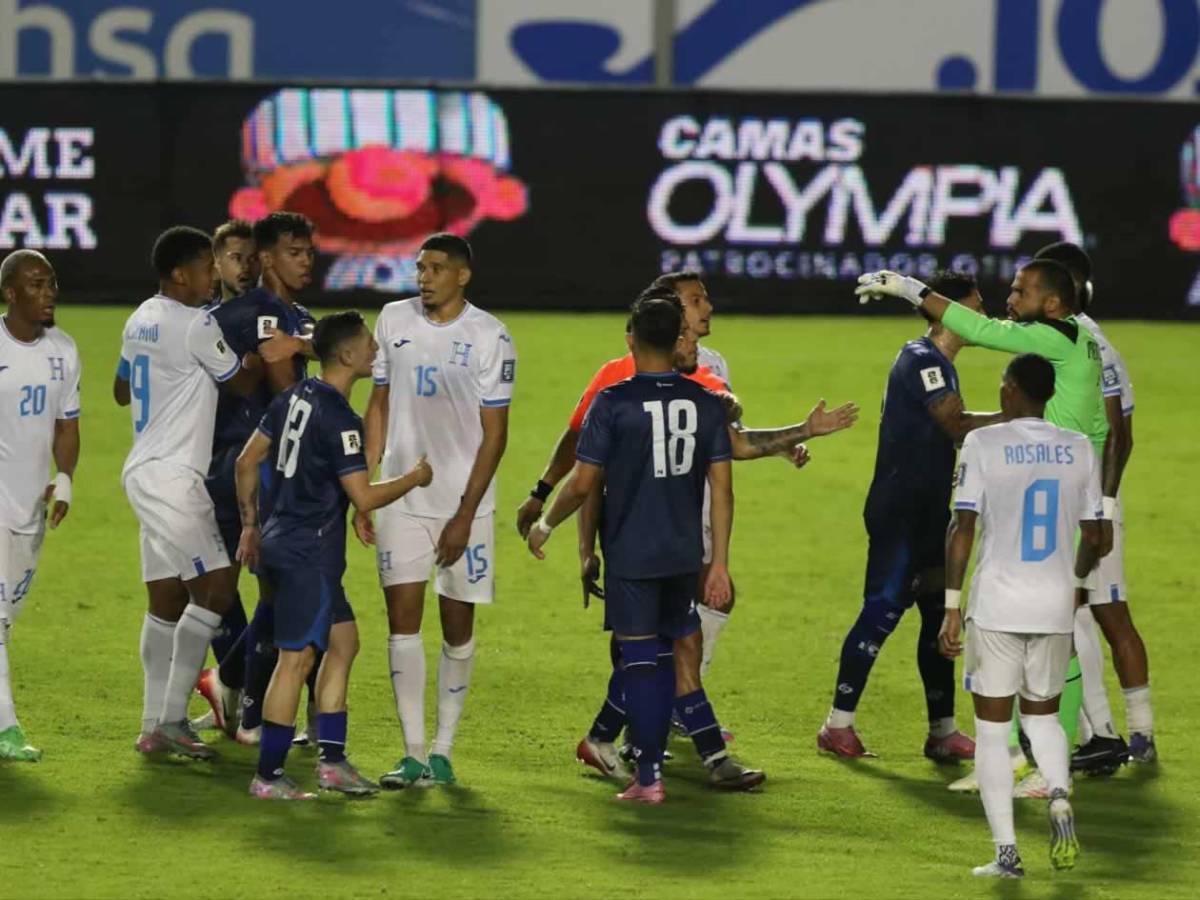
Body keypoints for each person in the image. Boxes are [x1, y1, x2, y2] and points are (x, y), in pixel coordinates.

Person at [572, 299, 854, 787]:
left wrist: (799, 433)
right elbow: (581, 466)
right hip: (641, 544)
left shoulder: (704, 374)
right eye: (691, 313)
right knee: (665, 650)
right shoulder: (618, 386)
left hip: (682, 538)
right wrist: (550, 511)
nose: (698, 328)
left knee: (670, 648)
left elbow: (736, 437)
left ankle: (630, 742)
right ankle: (674, 752)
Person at [856, 261, 1104, 795]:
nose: (1007, 301)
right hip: (1073, 489)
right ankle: (1045, 753)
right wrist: (1096, 490)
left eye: (1021, 291)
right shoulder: (1084, 337)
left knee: (1028, 640)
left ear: (1054, 303)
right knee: (1062, 632)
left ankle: (1043, 758)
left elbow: (981, 332)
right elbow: (1103, 424)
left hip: (1042, 491)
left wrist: (909, 289)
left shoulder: (1044, 345)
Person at [527, 294, 734, 804]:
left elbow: (582, 483)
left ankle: (648, 779)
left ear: (632, 341)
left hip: (633, 555)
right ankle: (683, 753)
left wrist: (546, 524)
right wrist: (720, 563)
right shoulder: (707, 403)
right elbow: (724, 491)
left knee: (642, 661)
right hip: (685, 554)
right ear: (677, 340)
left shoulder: (613, 401)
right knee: (672, 652)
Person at [234, 311, 433, 800]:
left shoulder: (292, 398)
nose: (373, 349)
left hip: (280, 543)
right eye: (367, 343)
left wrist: (250, 526)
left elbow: (246, 462)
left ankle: (333, 761)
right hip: (309, 555)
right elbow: (363, 498)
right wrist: (414, 478)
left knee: (343, 643)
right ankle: (269, 775)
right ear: (346, 354)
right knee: (295, 661)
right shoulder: (341, 418)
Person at [819, 271, 998, 760]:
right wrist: (1020, 417)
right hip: (900, 509)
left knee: (938, 614)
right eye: (975, 307)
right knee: (883, 609)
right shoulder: (921, 359)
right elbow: (955, 424)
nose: (983, 316)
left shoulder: (940, 362)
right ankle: (837, 725)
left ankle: (942, 731)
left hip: (927, 509)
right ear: (950, 310)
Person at [359, 233, 515, 788]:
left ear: (462, 276)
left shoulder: (490, 336)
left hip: (463, 506)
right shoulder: (392, 319)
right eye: (420, 267)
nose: (424, 277)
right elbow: (377, 404)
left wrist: (464, 514)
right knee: (402, 623)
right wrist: (366, 483)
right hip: (400, 498)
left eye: (436, 268)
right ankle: (413, 752)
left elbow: (494, 437)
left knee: (456, 626)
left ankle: (445, 750)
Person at [938, 353, 1103, 877]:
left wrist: (950, 604)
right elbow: (1098, 535)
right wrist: (1074, 583)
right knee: (1044, 717)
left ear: (1010, 391)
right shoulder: (1078, 449)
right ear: (1048, 394)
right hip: (1054, 603)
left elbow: (962, 528)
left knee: (991, 732)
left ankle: (1007, 853)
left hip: (998, 604)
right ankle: (1057, 791)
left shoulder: (982, 443)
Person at [115, 226, 263, 759]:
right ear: (181, 274)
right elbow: (242, 382)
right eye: (205, 266)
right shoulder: (198, 323)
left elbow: (120, 387)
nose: (211, 276)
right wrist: (272, 349)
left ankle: (153, 722)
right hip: (176, 478)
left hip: (142, 470)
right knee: (218, 590)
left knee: (167, 602)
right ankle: (173, 720)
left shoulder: (140, 317)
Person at [1033, 242, 1156, 769]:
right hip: (1079, 495)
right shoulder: (1073, 341)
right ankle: (1126, 735)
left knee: (1085, 609)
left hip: (1089, 499)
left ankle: (1106, 736)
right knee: (1098, 610)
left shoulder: (1090, 347)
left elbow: (1119, 436)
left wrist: (1103, 506)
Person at [197, 212, 317, 744]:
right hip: (249, 465)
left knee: (239, 585)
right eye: (296, 251)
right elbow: (285, 390)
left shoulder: (286, 314)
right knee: (273, 590)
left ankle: (237, 694)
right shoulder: (258, 312)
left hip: (240, 463)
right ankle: (243, 703)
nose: (307, 260)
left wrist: (307, 344)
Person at [0, 250, 80, 762]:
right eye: (36, 284)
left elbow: (66, 425)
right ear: (11, 294)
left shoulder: (65, 351)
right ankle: (6, 727)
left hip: (28, 507)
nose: (48, 291)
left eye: (50, 282)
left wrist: (66, 478)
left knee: (7, 619)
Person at [212, 219, 259, 302]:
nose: (246, 266)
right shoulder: (204, 315)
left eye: (253, 258)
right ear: (217, 262)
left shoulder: (278, 312)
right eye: (236, 258)